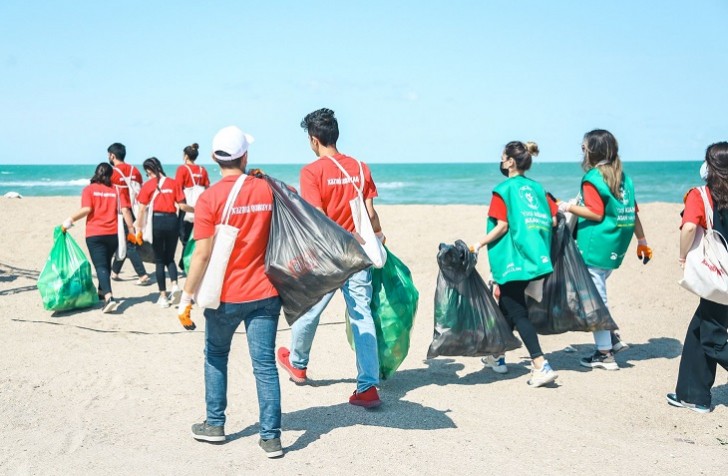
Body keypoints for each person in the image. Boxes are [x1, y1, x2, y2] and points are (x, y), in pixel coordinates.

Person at [176, 126, 284, 457]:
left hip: (224, 296)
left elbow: (203, 253)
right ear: (245, 156)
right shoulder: (267, 189)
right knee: (264, 364)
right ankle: (270, 438)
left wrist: (187, 296)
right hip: (265, 292)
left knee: (216, 355)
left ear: (213, 159)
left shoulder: (209, 198)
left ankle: (215, 424)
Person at [276, 107, 385, 408]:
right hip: (359, 251)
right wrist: (378, 236)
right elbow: (371, 214)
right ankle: (368, 387)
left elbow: (317, 221)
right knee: (361, 314)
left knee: (309, 307)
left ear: (314, 140)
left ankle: (298, 364)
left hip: (329, 256)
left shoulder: (311, 172)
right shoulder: (361, 168)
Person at [558, 129, 652, 371]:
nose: (581, 152)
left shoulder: (592, 178)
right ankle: (613, 339)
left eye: (583, 148)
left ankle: (604, 353)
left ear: (591, 151)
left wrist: (568, 206)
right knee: (596, 289)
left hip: (594, 246)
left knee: (595, 299)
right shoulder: (624, 178)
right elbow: (633, 212)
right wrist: (642, 240)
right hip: (615, 246)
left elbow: (595, 212)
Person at [471, 141, 559, 387]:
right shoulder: (538, 188)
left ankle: (540, 364)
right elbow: (553, 220)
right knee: (508, 307)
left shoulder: (504, 189)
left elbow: (502, 226)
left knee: (518, 311)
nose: (500, 162)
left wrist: (477, 244)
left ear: (510, 161)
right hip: (535, 257)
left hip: (512, 261)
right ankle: (497, 356)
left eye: (502, 157)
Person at [668, 141, 728, 414]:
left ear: (711, 167)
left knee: (712, 337)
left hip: (719, 277)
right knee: (698, 329)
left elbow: (690, 226)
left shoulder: (701, 195)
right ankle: (694, 395)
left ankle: (695, 396)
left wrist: (682, 256)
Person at [61, 163, 129, 313]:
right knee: (106, 263)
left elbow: (87, 209)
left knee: (100, 266)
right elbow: (124, 210)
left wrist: (69, 220)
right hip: (113, 234)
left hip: (95, 234)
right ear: (111, 175)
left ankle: (109, 297)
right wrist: (132, 228)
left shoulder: (89, 189)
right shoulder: (116, 190)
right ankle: (101, 292)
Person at [135, 157, 192, 308]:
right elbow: (182, 206)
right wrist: (196, 209)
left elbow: (141, 209)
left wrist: (138, 229)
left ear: (149, 171)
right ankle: (175, 286)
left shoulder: (147, 186)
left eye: (147, 173)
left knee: (159, 260)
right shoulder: (173, 183)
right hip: (172, 221)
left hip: (157, 222)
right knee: (170, 258)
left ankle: (163, 297)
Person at [107, 143, 152, 286]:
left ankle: (142, 275)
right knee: (123, 242)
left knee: (129, 244)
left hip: (122, 212)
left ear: (112, 155)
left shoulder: (113, 173)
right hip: (136, 210)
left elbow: (118, 197)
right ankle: (115, 272)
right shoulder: (135, 171)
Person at [174, 143, 210, 273]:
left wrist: (179, 203)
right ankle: (185, 263)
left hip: (186, 208)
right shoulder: (202, 170)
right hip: (199, 207)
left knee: (184, 237)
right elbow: (207, 189)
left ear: (185, 156)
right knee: (195, 236)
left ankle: (185, 264)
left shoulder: (182, 169)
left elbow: (177, 187)